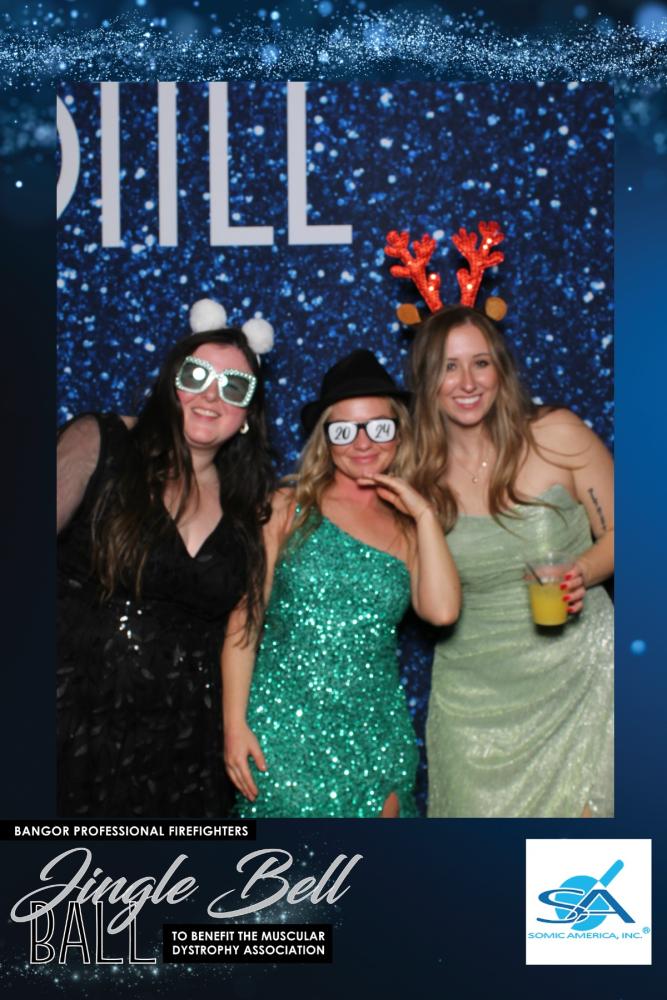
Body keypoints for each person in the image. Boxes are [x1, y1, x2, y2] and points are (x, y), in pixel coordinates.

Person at [222, 349, 461, 818]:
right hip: (282, 735)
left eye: (379, 427)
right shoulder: (287, 508)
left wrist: (424, 514)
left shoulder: (410, 528)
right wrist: (233, 725)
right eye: (345, 430)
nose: (363, 443)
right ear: (325, 440)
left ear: (400, 432)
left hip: (377, 737)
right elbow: (243, 623)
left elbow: (443, 611)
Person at [57, 303, 274, 817]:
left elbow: (242, 625)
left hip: (185, 748)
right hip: (72, 720)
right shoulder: (102, 442)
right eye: (197, 376)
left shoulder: (247, 507)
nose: (211, 395)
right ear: (171, 382)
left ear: (247, 415)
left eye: (234, 387)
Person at [409, 305, 614, 818]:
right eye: (449, 366)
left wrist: (582, 571)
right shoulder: (416, 472)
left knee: (583, 861)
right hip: (473, 699)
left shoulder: (556, 434)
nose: (467, 382)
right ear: (427, 379)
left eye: (480, 363)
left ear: (500, 368)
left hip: (581, 677)